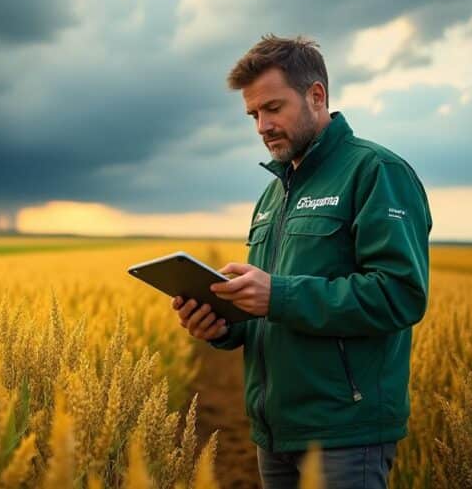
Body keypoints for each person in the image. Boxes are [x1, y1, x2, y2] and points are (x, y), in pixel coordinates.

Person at [172, 34, 432, 488]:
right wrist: (223, 325)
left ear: (317, 96)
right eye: (253, 115)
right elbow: (269, 310)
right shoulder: (273, 193)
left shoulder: (375, 172)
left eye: (273, 108)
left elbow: (400, 295)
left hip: (344, 435)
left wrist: (278, 293)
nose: (261, 126)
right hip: (275, 432)